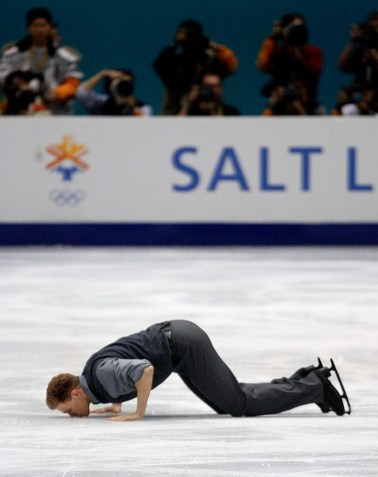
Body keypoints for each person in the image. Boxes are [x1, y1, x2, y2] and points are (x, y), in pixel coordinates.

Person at [46, 320, 350, 421]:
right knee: (226, 401)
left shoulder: (98, 376)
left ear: (74, 393)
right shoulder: (96, 379)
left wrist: (138, 413)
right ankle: (301, 381)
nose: (70, 413)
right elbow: (125, 367)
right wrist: (115, 404)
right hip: (178, 345)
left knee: (238, 403)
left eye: (67, 408)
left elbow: (144, 370)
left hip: (182, 345)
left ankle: (317, 386)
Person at [0, 7, 82, 114]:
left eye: (43, 25)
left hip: (56, 110)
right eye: (35, 25)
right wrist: (13, 79)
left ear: (49, 27)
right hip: (18, 107)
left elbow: (72, 83)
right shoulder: (14, 53)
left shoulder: (62, 55)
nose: (39, 29)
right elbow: (2, 73)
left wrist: (57, 93)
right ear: (28, 28)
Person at [153, 20, 238, 115]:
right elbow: (158, 65)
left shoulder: (209, 59)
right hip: (178, 110)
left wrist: (213, 45)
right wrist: (174, 44)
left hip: (210, 109)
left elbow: (231, 65)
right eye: (181, 32)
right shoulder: (175, 61)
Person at [256, 12, 323, 114]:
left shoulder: (313, 52)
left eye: (301, 28)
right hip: (279, 107)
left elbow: (315, 70)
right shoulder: (278, 52)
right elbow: (263, 65)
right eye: (293, 28)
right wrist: (273, 38)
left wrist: (299, 55)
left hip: (308, 107)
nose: (297, 32)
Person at [335, 11, 378, 114]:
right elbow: (342, 66)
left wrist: (374, 54)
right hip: (361, 93)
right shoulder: (360, 49)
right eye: (372, 27)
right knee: (348, 109)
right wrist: (353, 41)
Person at [76, 68, 152, 116]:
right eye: (120, 81)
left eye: (126, 83)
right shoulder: (102, 103)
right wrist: (103, 74)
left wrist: (132, 107)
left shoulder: (143, 107)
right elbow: (81, 93)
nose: (123, 85)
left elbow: (144, 126)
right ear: (112, 85)